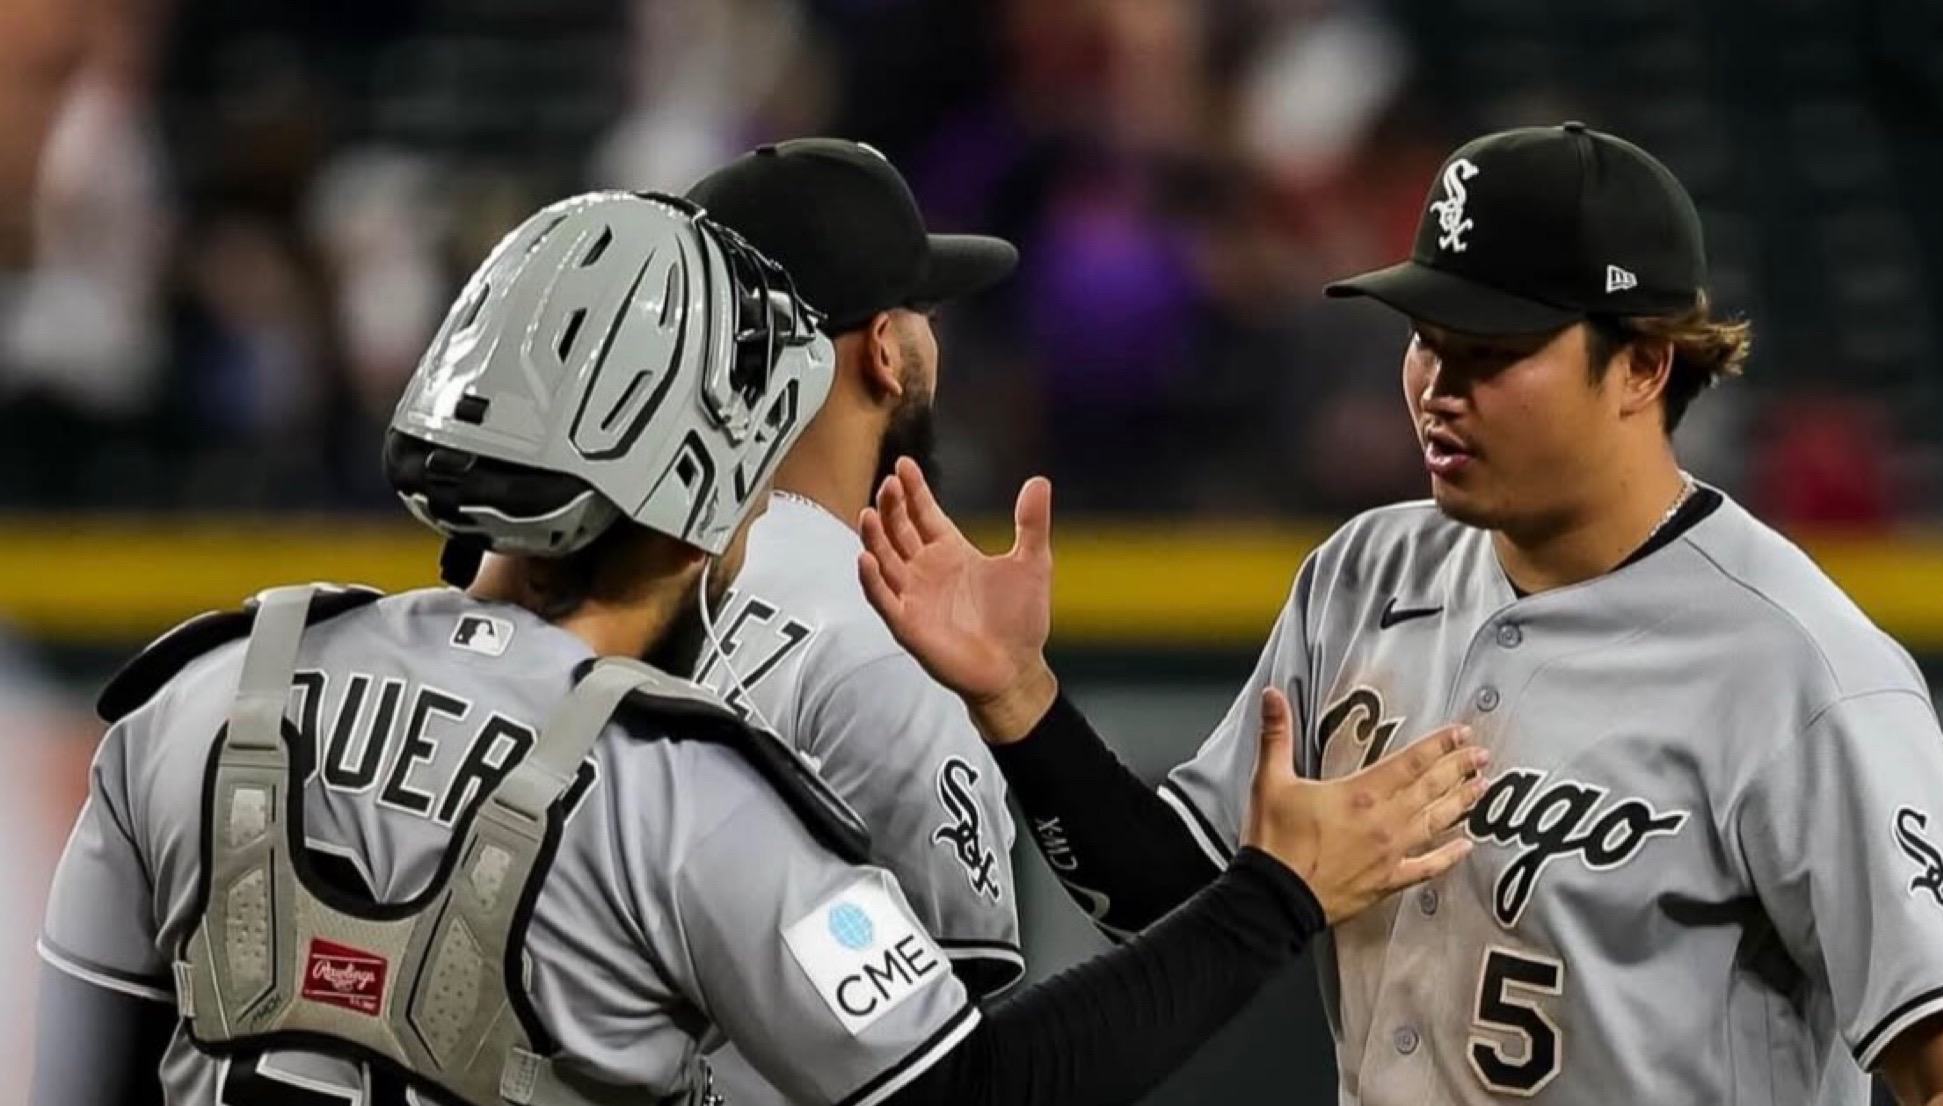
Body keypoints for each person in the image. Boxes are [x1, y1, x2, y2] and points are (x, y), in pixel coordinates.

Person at [32, 189, 1491, 1106]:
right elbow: (972, 1084)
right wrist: (1274, 899)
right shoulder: (679, 791)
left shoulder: (204, 687)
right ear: (703, 488)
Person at [858, 122, 1943, 1105]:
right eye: (1426, 336)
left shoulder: (1799, 668)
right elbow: (1171, 898)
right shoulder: (1364, 575)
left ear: (1640, 364)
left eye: (1491, 352)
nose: (1438, 385)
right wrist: (1020, 698)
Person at [679, 137, 1024, 1103]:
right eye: (922, 315)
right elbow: (951, 1053)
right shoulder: (884, 633)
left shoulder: (617, 589)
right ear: (882, 351)